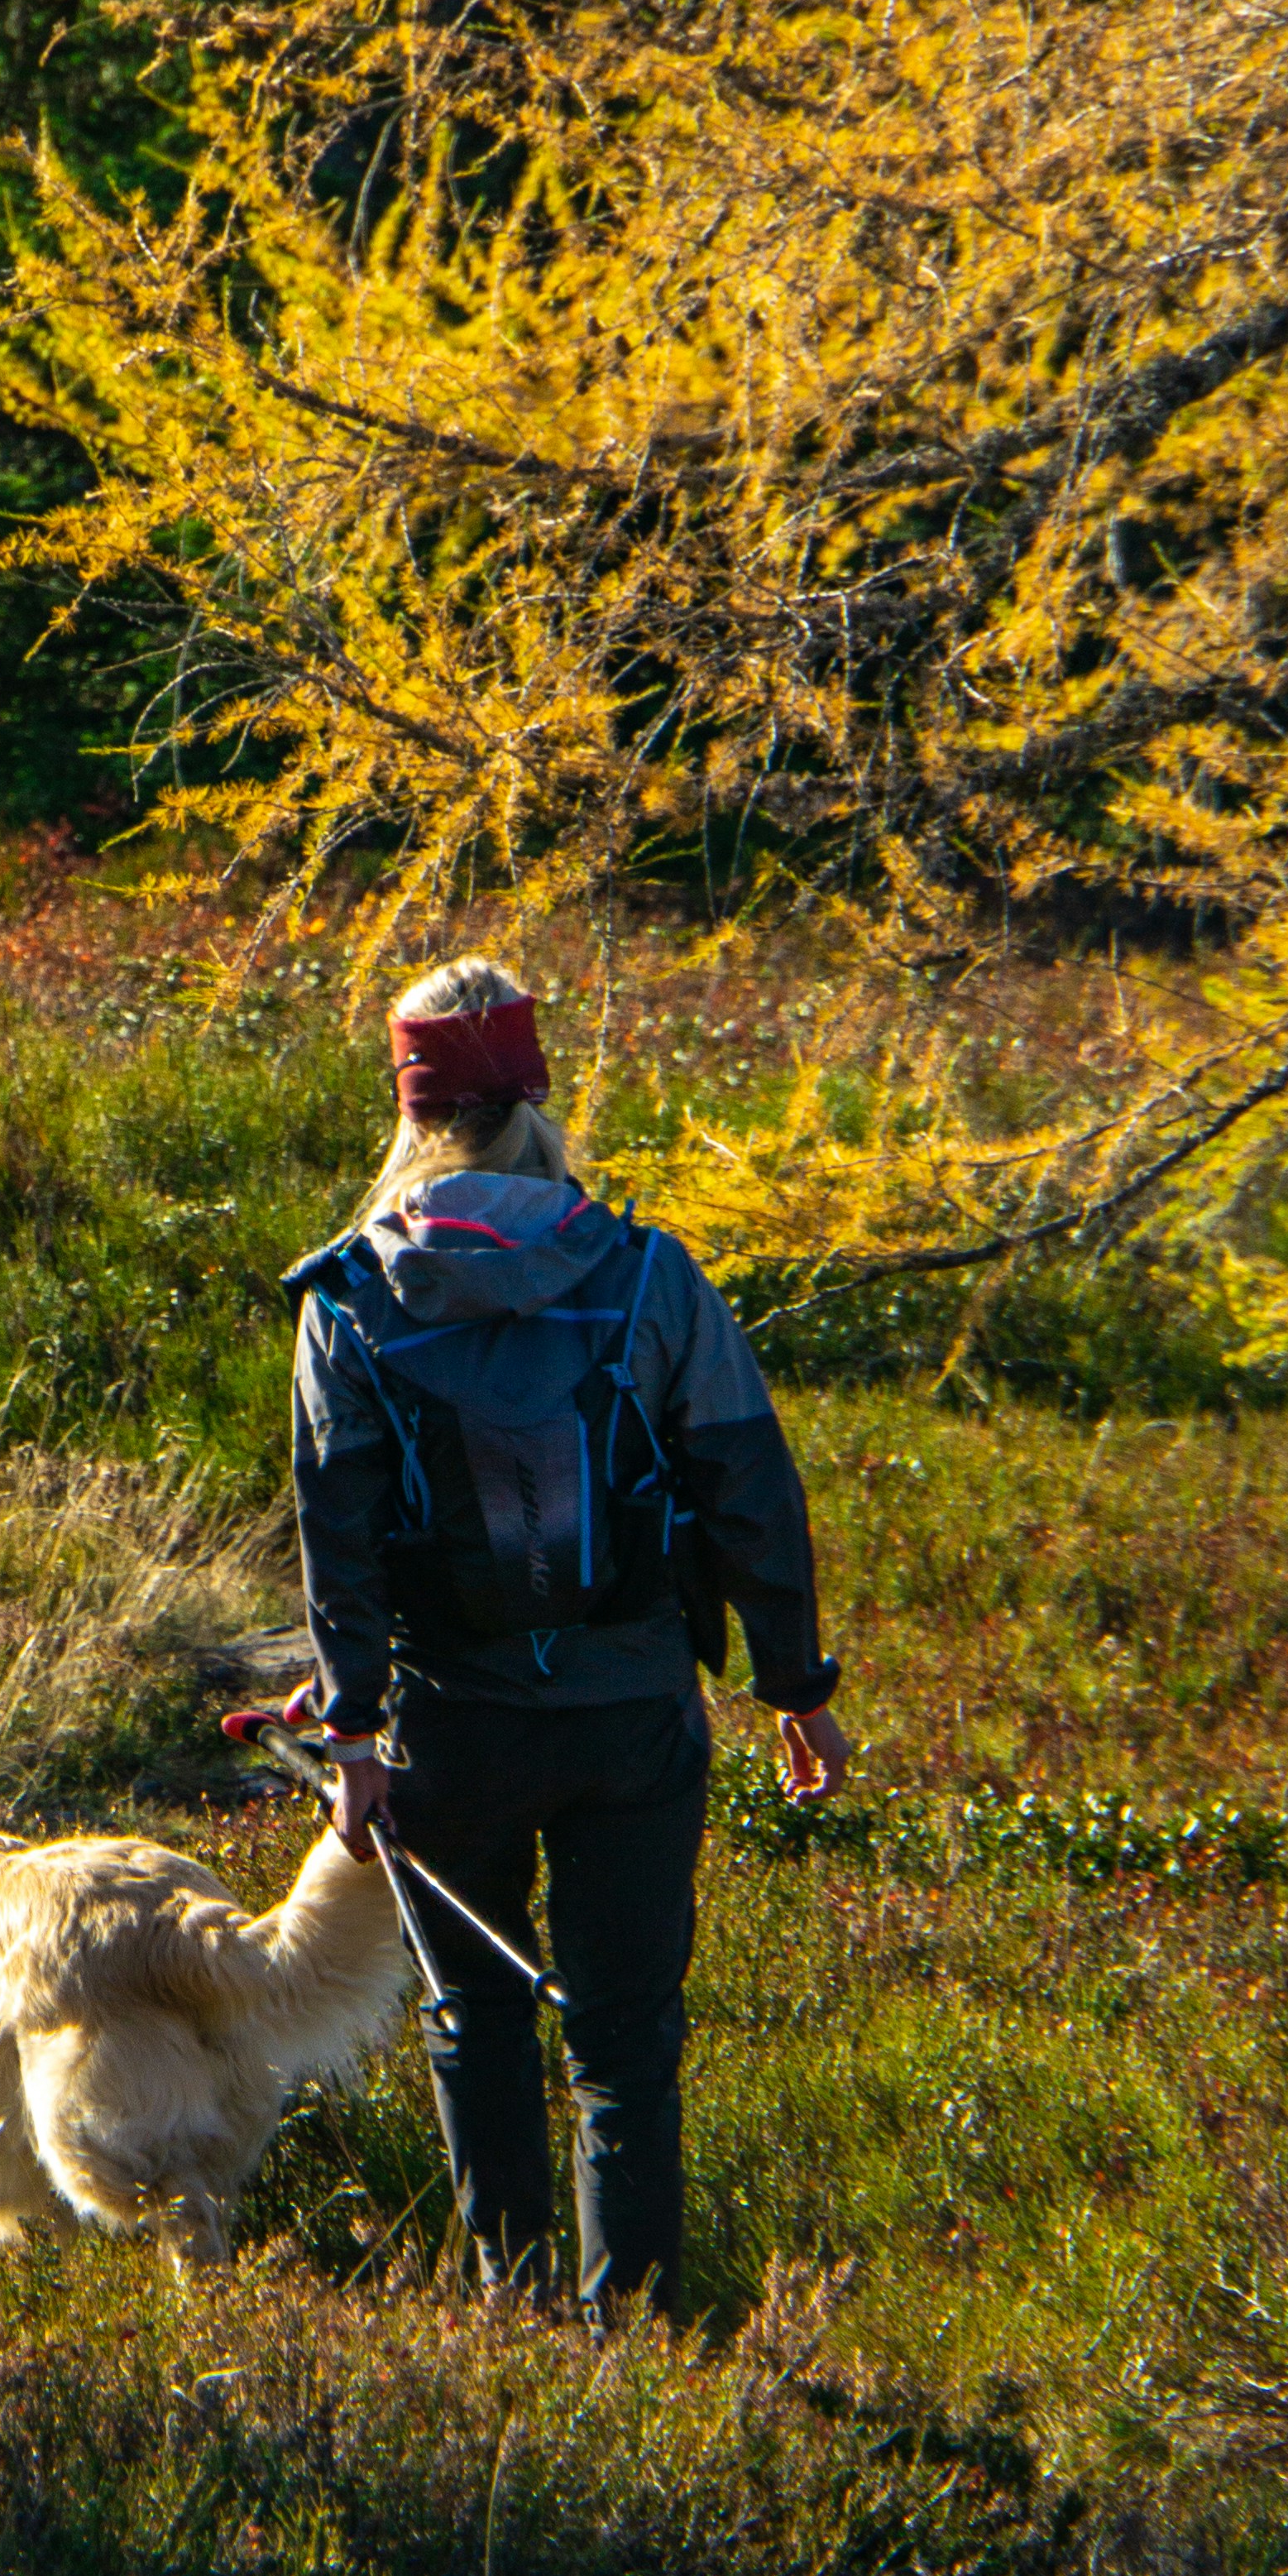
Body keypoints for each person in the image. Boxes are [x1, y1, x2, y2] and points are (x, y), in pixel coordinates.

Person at [284, 955, 850, 2329]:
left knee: (474, 2021)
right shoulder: (650, 1274)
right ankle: (640, 2348)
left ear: (412, 1114)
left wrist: (350, 1735)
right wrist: (798, 1692)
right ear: (540, 1093)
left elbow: (337, 1530)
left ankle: (512, 2325)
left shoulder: (350, 1296)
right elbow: (748, 1493)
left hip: (449, 1722)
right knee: (626, 2043)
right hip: (633, 1714)